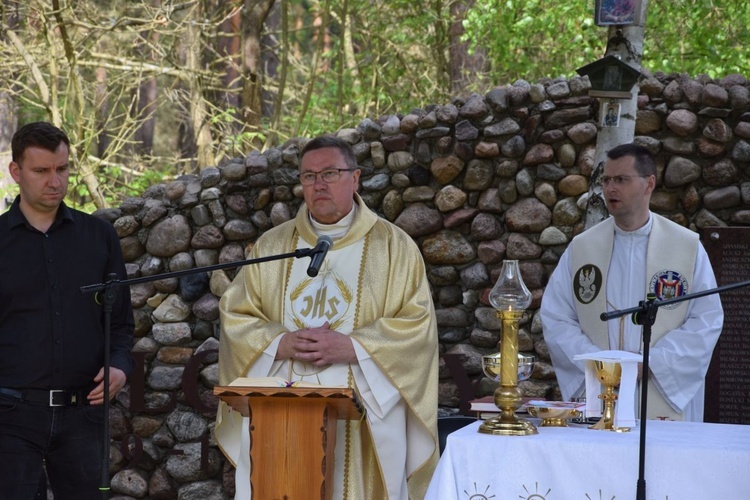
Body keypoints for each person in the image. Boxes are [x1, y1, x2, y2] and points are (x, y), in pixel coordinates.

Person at [215, 135, 439, 498]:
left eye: (330, 173)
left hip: (364, 411)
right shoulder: (273, 247)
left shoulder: (395, 247)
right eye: (308, 176)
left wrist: (355, 348)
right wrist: (279, 342)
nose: (318, 184)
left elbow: (417, 327)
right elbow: (237, 315)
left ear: (355, 178)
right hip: (282, 417)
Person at [540, 143, 723, 422]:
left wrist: (650, 362)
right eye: (607, 180)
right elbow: (556, 317)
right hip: (601, 393)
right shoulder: (582, 249)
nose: (611, 188)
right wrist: (600, 364)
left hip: (660, 396)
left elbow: (706, 319)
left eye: (622, 180)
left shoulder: (686, 248)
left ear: (649, 184)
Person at [0, 122, 134, 498]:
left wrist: (120, 366)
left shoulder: (99, 237)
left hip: (83, 416)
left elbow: (122, 323)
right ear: (16, 172)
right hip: (9, 417)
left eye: (62, 169)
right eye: (41, 171)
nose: (55, 181)